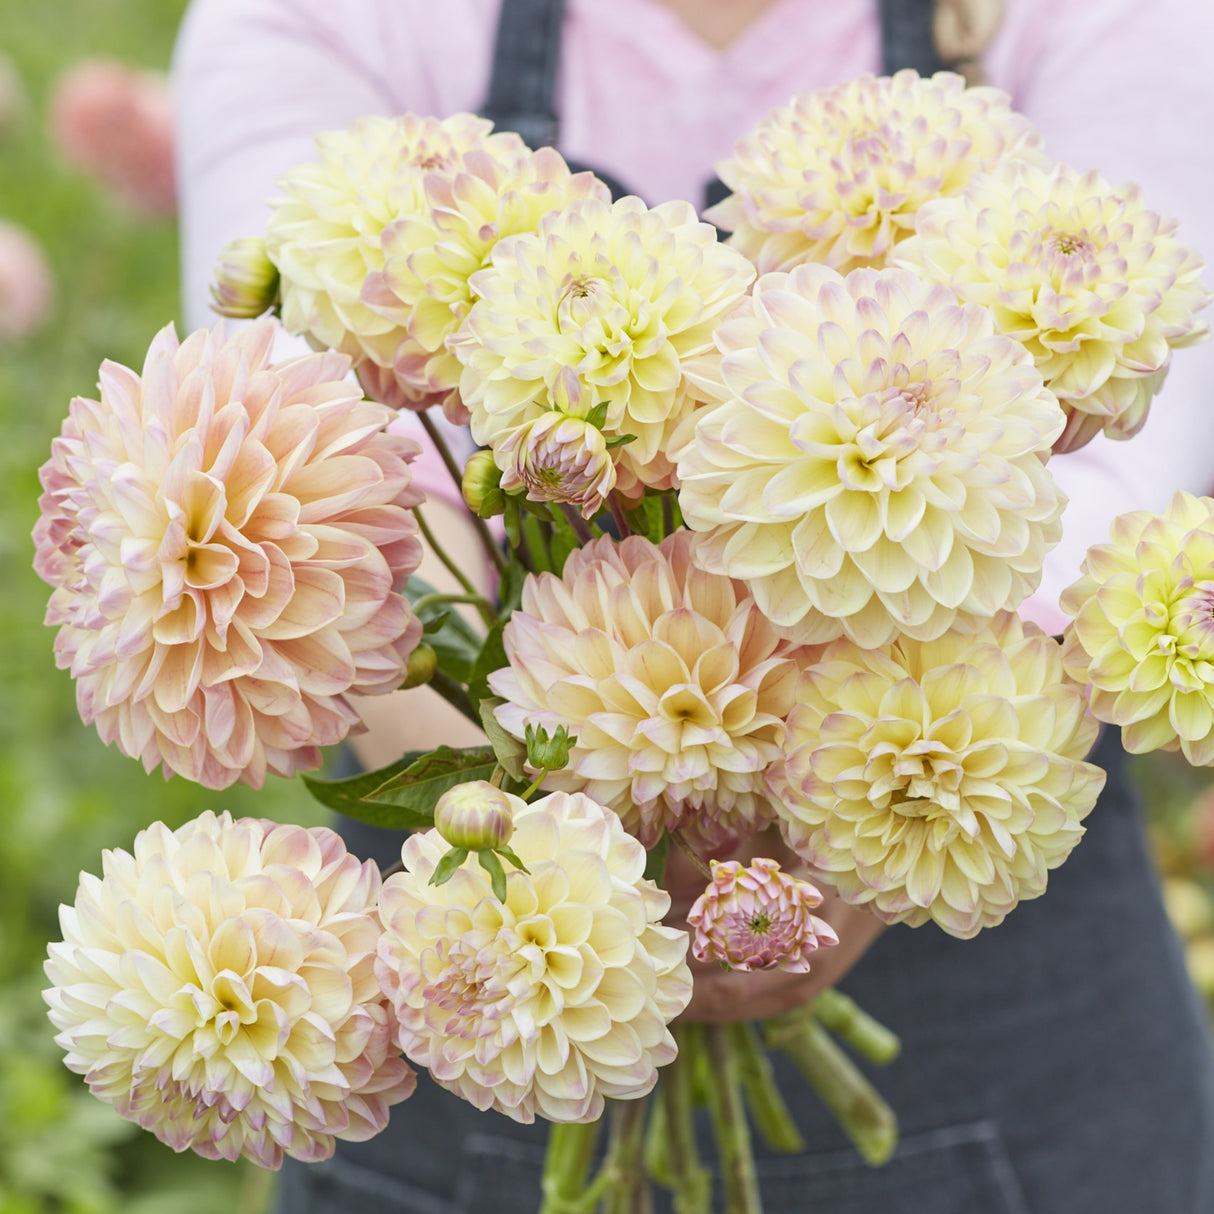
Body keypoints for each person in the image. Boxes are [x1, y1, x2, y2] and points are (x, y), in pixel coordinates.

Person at [173, 1, 1214, 1210]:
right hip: (492, 942)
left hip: (957, 834)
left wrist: (857, 829)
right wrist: (558, 877)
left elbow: (1112, 480)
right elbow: (312, 480)